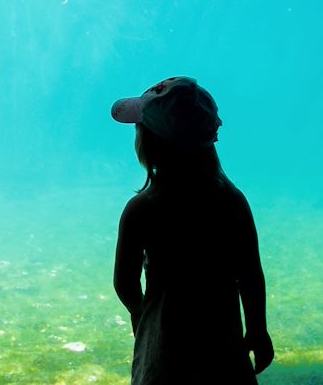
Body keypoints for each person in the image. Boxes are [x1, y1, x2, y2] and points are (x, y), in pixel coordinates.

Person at [111, 77, 274, 385]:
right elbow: (251, 273)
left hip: (163, 346)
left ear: (149, 142)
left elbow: (124, 282)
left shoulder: (141, 208)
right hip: (221, 342)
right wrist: (257, 330)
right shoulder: (231, 200)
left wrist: (139, 313)